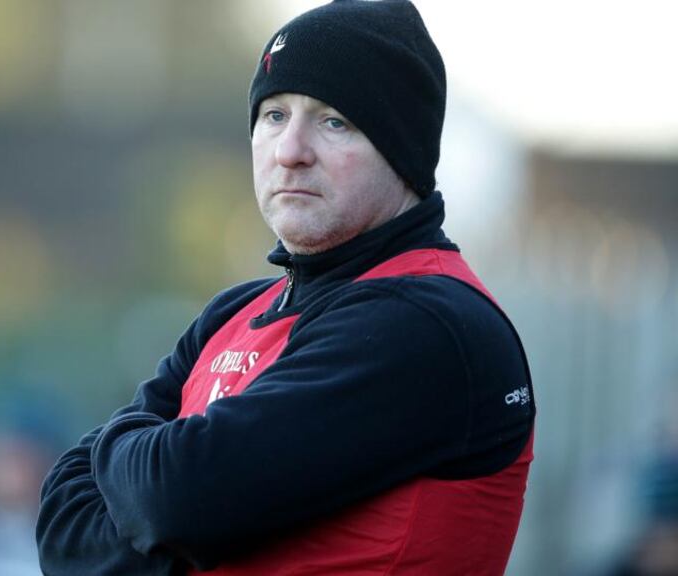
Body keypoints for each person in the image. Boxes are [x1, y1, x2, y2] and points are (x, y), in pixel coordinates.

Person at [36, 1, 535, 574]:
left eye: (334, 121)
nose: (290, 151)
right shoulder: (234, 313)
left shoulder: (427, 324)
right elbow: (64, 533)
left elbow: (180, 498)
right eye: (274, 115)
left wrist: (132, 467)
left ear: (403, 149)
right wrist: (162, 498)